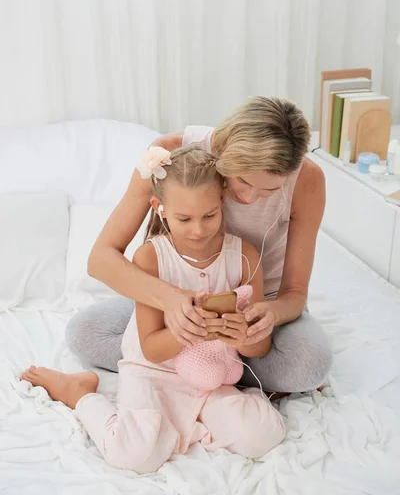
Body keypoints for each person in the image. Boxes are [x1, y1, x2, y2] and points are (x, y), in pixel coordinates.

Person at [21, 148, 286, 473]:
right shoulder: (151, 258)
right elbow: (151, 349)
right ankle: (79, 394)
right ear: (159, 209)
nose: (199, 230)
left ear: (223, 198)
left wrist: (243, 337)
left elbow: (259, 346)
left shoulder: (243, 256)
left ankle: (201, 419)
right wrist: (187, 328)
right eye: (184, 219)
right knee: (134, 455)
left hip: (211, 379)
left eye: (209, 215)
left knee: (263, 436)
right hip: (154, 373)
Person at [66, 96, 332, 393]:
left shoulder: (307, 180)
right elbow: (100, 260)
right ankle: (218, 369)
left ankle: (201, 367)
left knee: (308, 365)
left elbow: (294, 293)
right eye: (241, 181)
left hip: (253, 310)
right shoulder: (170, 155)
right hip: (177, 300)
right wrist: (172, 301)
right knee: (85, 333)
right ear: (224, 151)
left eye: (268, 190)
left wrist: (269, 316)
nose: (247, 198)